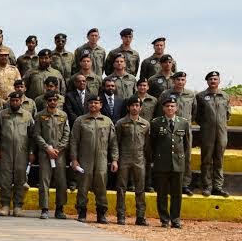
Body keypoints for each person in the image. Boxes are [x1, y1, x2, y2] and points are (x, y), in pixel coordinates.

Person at [69, 94, 119, 223]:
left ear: (101, 105)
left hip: (102, 159)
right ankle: (81, 212)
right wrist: (74, 159)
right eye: (91, 103)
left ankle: (101, 213)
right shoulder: (80, 121)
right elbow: (74, 141)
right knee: (83, 186)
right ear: (87, 105)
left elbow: (113, 142)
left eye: (96, 103)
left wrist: (114, 159)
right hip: (84, 159)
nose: (93, 105)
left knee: (101, 186)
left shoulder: (107, 121)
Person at [150, 96, 191, 228]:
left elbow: (186, 145)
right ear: (163, 108)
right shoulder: (156, 123)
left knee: (176, 194)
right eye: (167, 106)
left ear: (176, 108)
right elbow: (152, 144)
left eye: (172, 106)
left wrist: (182, 159)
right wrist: (153, 160)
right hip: (161, 163)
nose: (170, 108)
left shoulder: (183, 123)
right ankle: (164, 219)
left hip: (178, 164)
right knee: (161, 193)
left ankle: (175, 219)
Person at [0, 92, 34, 217]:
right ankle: (5, 205)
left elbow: (32, 136)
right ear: (9, 101)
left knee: (20, 179)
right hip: (5, 152)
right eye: (13, 100)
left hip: (22, 152)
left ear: (21, 101)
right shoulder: (2, 114)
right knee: (5, 179)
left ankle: (17, 206)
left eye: (17, 100)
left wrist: (32, 152)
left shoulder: (27, 116)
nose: (15, 102)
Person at [158, 71, 197, 194]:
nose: (180, 82)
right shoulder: (166, 94)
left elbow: (194, 112)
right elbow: (160, 110)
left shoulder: (191, 94)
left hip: (185, 130)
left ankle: (184, 184)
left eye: (183, 80)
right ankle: (169, 183)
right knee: (168, 156)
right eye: (178, 80)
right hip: (169, 129)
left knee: (186, 157)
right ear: (173, 81)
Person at [33, 92, 70, 219]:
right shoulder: (40, 116)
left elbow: (66, 134)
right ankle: (44, 208)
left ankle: (60, 209)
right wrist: (47, 148)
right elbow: (37, 134)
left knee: (61, 182)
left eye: (55, 99)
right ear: (46, 101)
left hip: (59, 154)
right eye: (50, 100)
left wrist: (58, 149)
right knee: (44, 181)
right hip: (45, 153)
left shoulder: (63, 116)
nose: (53, 102)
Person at [115, 97, 150, 225]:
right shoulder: (121, 123)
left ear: (140, 107)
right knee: (121, 188)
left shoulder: (145, 124)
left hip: (140, 158)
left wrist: (147, 159)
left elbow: (147, 144)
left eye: (137, 105)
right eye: (132, 105)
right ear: (128, 107)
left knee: (140, 188)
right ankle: (121, 215)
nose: (135, 108)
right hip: (124, 157)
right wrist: (115, 159)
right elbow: (116, 143)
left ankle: (140, 216)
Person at [196, 71, 231, 196]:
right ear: (207, 81)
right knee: (206, 160)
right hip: (207, 133)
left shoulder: (225, 96)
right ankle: (206, 186)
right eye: (210, 79)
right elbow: (198, 116)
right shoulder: (200, 96)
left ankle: (218, 186)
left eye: (215, 79)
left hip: (221, 133)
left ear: (219, 81)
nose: (213, 81)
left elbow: (227, 115)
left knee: (219, 160)